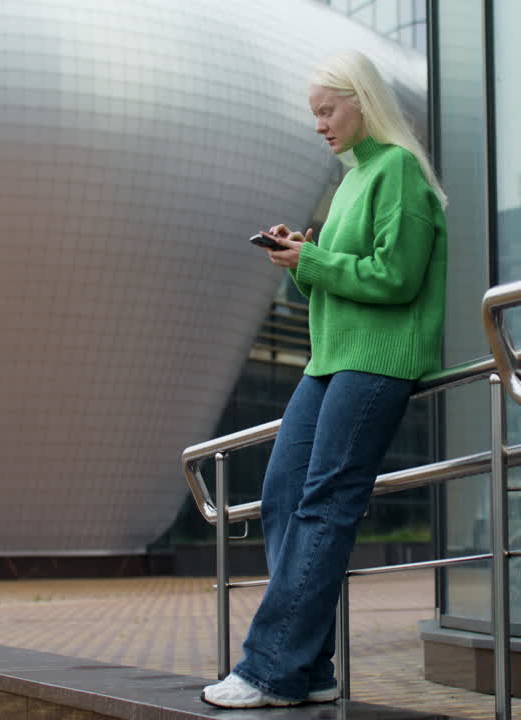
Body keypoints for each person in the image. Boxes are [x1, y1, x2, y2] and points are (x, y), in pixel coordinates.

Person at [200, 50, 448, 709]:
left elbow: (396, 279)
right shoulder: (354, 179)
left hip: (376, 361)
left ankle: (270, 668)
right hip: (331, 358)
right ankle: (309, 668)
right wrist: (302, 260)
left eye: (327, 110)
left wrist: (316, 261)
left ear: (363, 103)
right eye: (314, 113)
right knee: (282, 497)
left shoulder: (396, 172)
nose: (319, 125)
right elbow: (343, 279)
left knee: (324, 506)